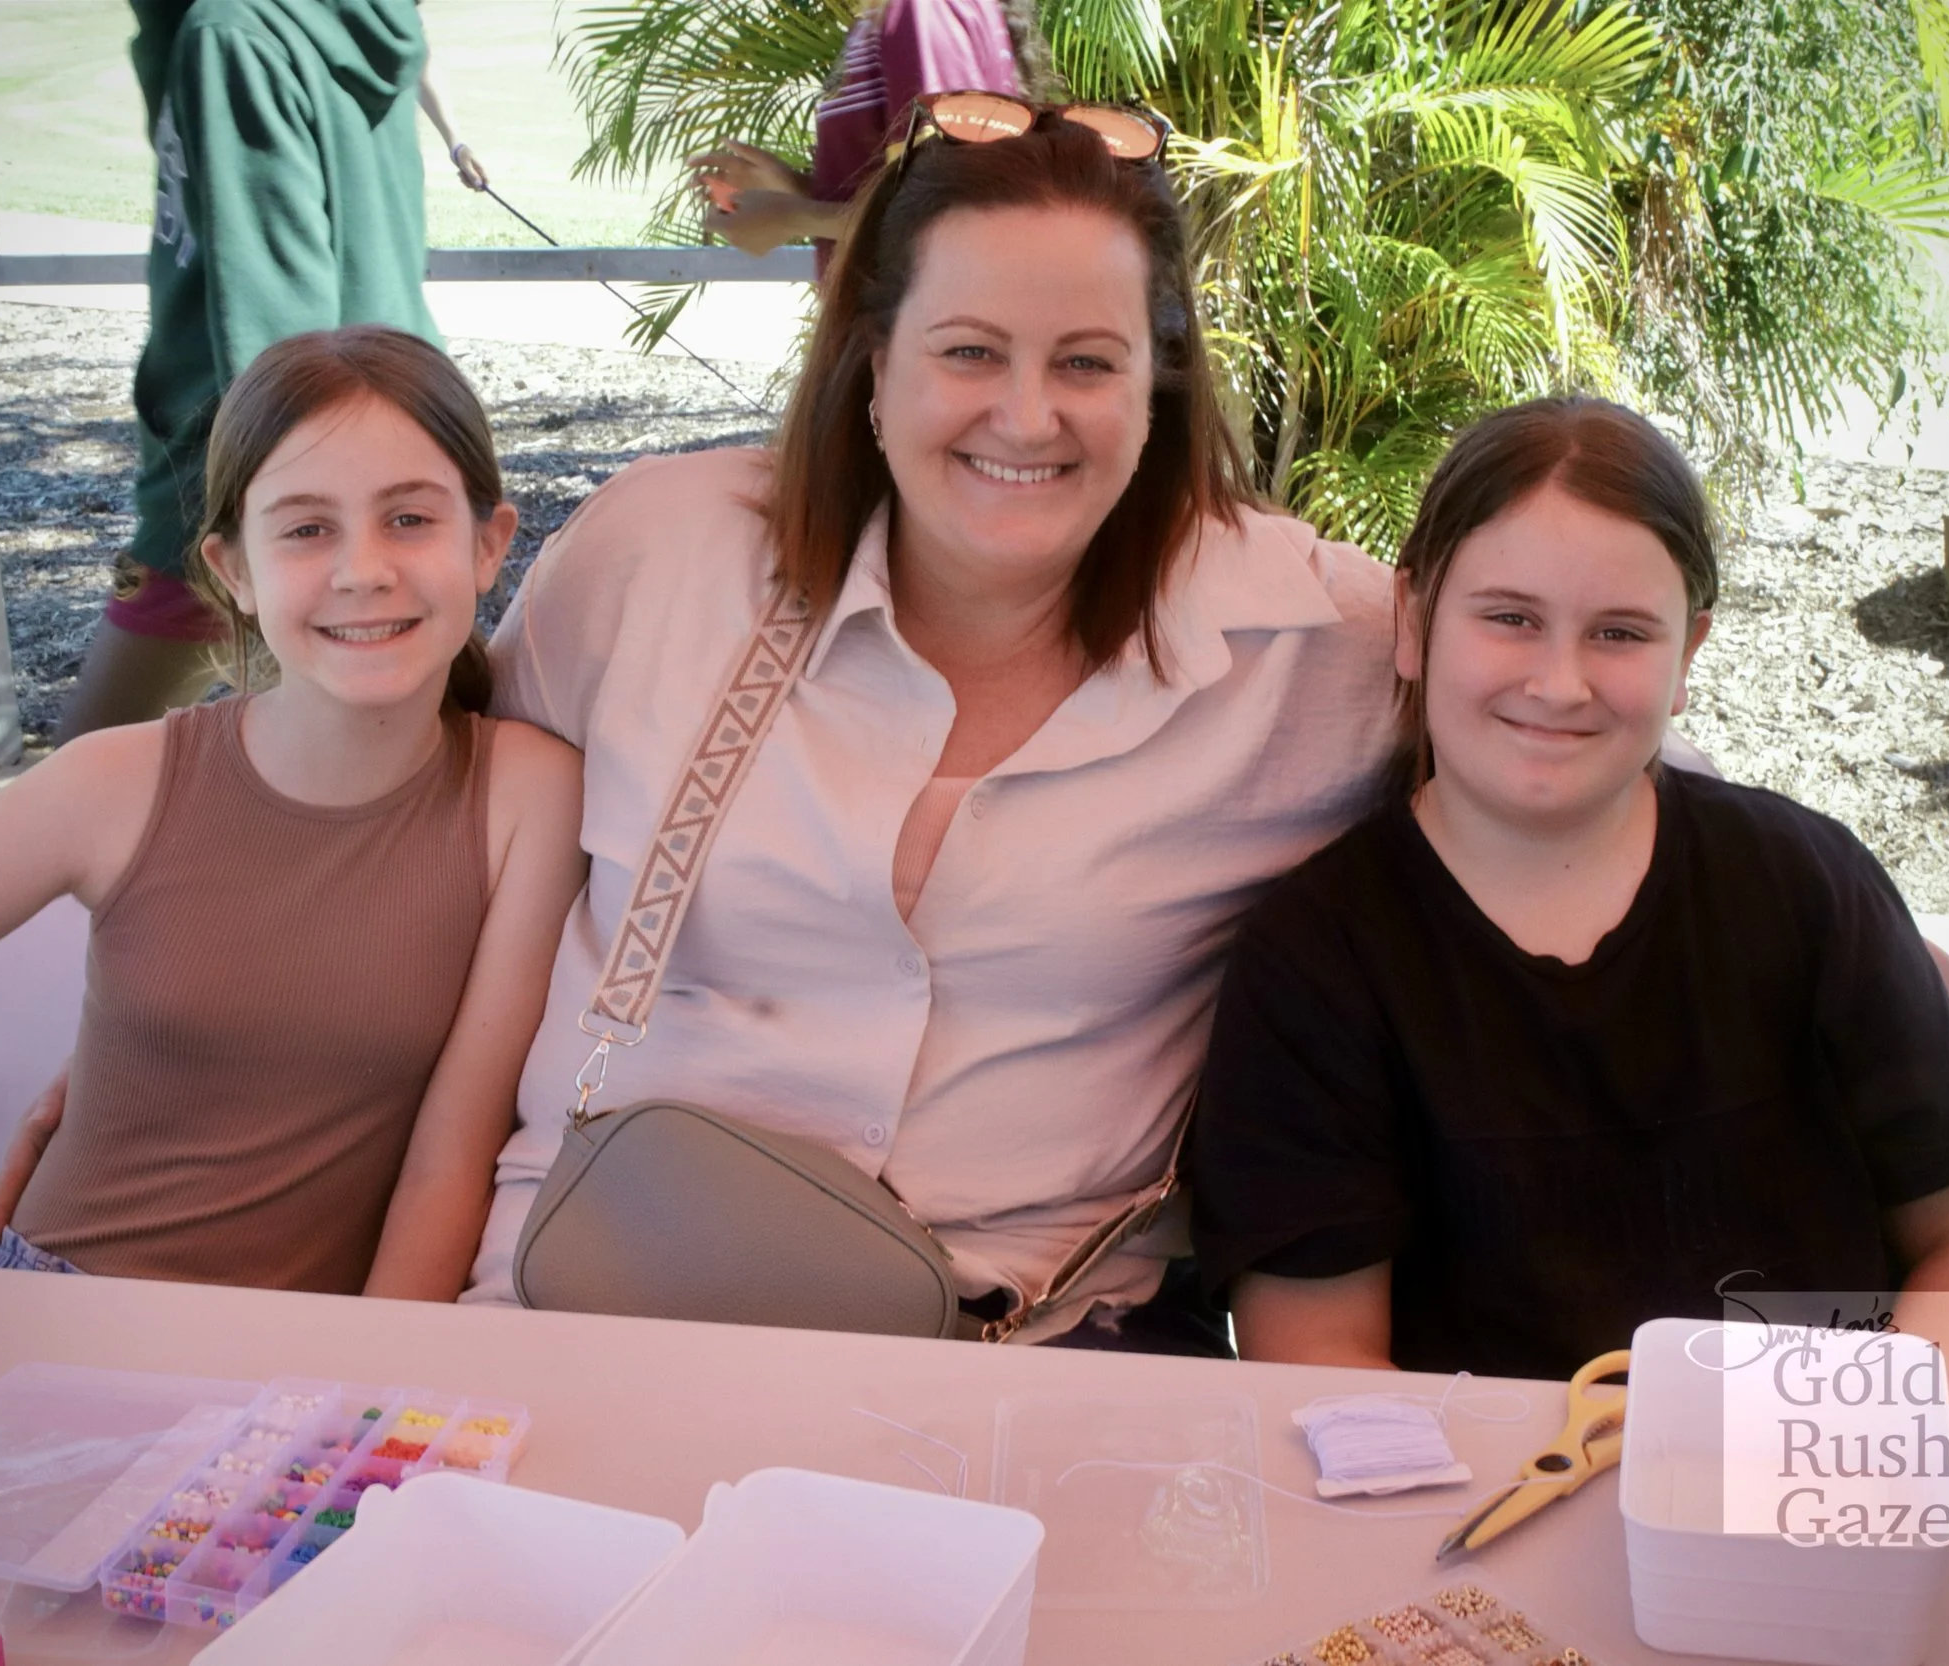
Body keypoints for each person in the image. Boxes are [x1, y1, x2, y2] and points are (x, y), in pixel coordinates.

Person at [469, 104, 1398, 1350]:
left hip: (1022, 1346)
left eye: (1086, 361)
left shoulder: (1307, 641)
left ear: (1156, 378)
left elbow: (1586, 736)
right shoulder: (655, 554)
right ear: (872, 357)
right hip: (586, 1293)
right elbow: (441, 840)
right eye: (969, 352)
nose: (1026, 416)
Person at [1188, 397, 1949, 1403]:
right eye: (1510, 618)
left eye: (1619, 632)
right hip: (1483, 1520)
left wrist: (1863, 1458)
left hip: (1837, 1483)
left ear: (1687, 654)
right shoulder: (1316, 961)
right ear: (1413, 623)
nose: (1559, 683)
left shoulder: (1801, 883)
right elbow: (1314, 1355)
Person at [0, 327, 585, 1301]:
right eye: (304, 528)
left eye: (410, 519)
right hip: (56, 1315)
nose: (362, 569)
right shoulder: (112, 784)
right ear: (233, 570)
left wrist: (351, 1408)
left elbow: (446, 1165)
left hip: (301, 1377)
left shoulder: (529, 798)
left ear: (489, 544)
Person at [60, 0, 487, 739]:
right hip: (394, 428)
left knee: (77, 791)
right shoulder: (351, 22)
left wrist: (296, 521)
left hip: (251, 465)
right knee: (382, 753)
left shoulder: (232, 34)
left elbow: (275, 321)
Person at [691, 0, 1036, 265]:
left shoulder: (923, 10)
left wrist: (791, 217)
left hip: (908, 339)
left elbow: (947, 214)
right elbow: (907, 194)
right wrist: (792, 187)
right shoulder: (890, 15)